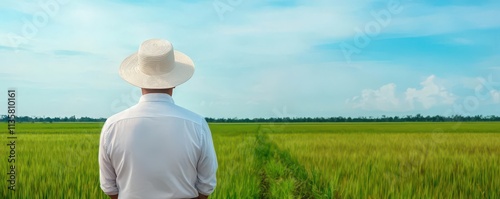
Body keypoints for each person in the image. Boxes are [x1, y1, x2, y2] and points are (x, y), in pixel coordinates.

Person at [98, 39, 218, 199]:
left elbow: (109, 188)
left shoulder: (113, 125)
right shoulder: (196, 124)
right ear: (174, 82)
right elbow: (206, 185)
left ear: (138, 80)